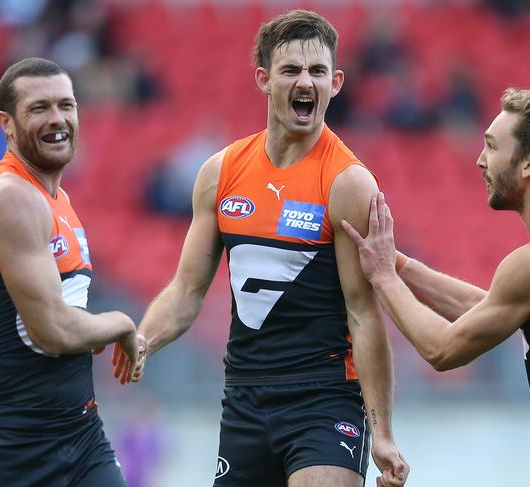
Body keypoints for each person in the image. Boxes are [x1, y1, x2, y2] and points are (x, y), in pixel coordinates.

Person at [116, 9, 409, 487]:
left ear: (336, 82)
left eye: (317, 72)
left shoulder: (348, 184)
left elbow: (364, 313)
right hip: (245, 398)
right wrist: (145, 339)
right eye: (291, 70)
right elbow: (188, 289)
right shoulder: (220, 172)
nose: (306, 83)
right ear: (264, 79)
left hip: (325, 397)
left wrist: (383, 433)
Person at [342, 87, 530, 487]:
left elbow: (442, 349)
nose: (480, 161)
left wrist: (384, 277)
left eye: (492, 147)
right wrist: (399, 264)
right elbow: (492, 309)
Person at [0, 57, 144, 487]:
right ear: (7, 123)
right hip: (6, 445)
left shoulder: (58, 200)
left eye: (66, 105)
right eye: (39, 108)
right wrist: (122, 325)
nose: (58, 119)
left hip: (79, 432)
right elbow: (51, 331)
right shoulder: (7, 196)